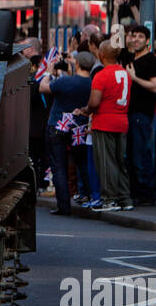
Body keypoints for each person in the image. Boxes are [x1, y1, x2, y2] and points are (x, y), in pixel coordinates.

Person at [41, 51, 94, 215]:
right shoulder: (92, 83)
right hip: (80, 128)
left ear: (77, 64)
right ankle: (89, 197)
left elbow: (43, 88)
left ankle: (63, 206)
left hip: (58, 126)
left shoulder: (65, 82)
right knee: (82, 164)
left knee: (59, 167)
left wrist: (49, 71)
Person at [82, 41, 131, 213]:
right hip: (122, 120)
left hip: (104, 122)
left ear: (101, 55)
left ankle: (109, 200)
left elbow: (94, 103)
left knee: (105, 163)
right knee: (120, 162)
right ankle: (125, 198)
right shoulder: (125, 73)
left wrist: (85, 110)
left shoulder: (101, 75)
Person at [120, 24, 156, 206]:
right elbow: (115, 42)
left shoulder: (152, 61)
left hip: (142, 114)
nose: (135, 39)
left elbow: (155, 86)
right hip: (127, 113)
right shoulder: (128, 57)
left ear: (147, 40)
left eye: (140, 36)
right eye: (133, 36)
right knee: (129, 154)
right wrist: (117, 9)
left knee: (141, 154)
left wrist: (134, 78)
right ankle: (136, 191)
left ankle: (146, 193)